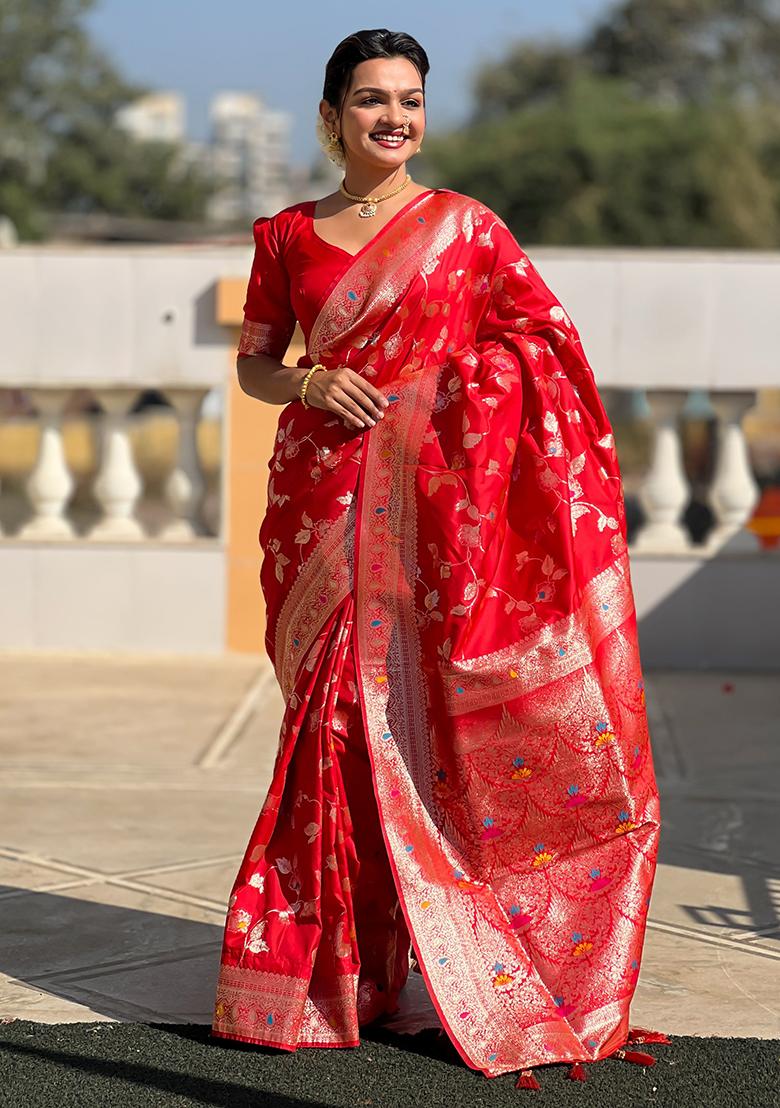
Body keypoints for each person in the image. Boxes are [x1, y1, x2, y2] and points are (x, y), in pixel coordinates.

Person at [210, 27, 667, 1089]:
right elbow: (256, 366)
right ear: (331, 116)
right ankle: (323, 973)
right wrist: (311, 382)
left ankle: (468, 956)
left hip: (439, 512)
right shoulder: (286, 235)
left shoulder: (467, 229)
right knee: (327, 725)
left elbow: (542, 347)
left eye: (409, 100)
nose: (394, 118)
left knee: (436, 729)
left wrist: (436, 397)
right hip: (322, 505)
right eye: (372, 99)